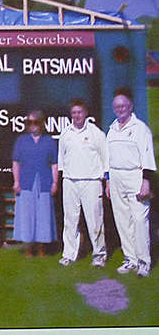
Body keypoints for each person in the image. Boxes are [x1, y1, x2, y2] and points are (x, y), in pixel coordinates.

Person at [106, 88, 156, 277]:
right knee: (122, 220)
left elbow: (147, 156)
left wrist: (146, 181)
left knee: (139, 220)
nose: (120, 109)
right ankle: (131, 260)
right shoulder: (111, 130)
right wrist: (109, 181)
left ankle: (144, 262)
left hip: (135, 177)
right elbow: (108, 159)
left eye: (123, 105)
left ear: (130, 106)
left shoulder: (140, 128)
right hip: (116, 178)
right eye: (117, 106)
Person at [58, 99, 108, 267]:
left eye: (79, 112)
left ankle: (99, 254)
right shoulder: (65, 134)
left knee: (95, 220)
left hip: (91, 181)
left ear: (85, 113)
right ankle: (69, 254)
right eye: (74, 113)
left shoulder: (96, 133)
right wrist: (65, 177)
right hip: (70, 181)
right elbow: (62, 159)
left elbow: (105, 158)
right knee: (70, 220)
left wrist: (105, 179)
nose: (76, 116)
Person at [11, 110, 58, 257]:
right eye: (29, 122)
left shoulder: (49, 141)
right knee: (26, 215)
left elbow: (54, 164)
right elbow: (16, 163)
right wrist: (16, 181)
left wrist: (55, 182)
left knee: (43, 215)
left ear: (42, 123)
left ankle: (42, 248)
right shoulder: (21, 141)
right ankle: (29, 248)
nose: (33, 125)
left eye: (36, 122)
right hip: (26, 182)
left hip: (44, 182)